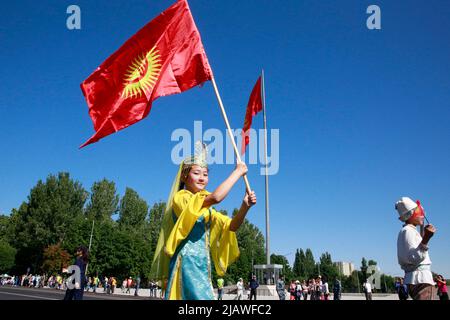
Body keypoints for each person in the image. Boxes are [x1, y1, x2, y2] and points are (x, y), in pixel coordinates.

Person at [150, 143, 257, 300]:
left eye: (205, 174)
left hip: (202, 264)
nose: (202, 178)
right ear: (184, 176)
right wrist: (237, 172)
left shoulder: (206, 207)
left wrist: (244, 207)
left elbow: (232, 226)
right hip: (186, 261)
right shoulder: (181, 198)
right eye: (197, 173)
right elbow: (216, 197)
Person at [396, 197, 437, 300]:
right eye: (419, 211)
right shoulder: (409, 231)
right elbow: (414, 257)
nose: (422, 214)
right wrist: (426, 238)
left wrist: (422, 228)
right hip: (421, 279)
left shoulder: (406, 231)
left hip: (415, 278)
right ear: (410, 215)